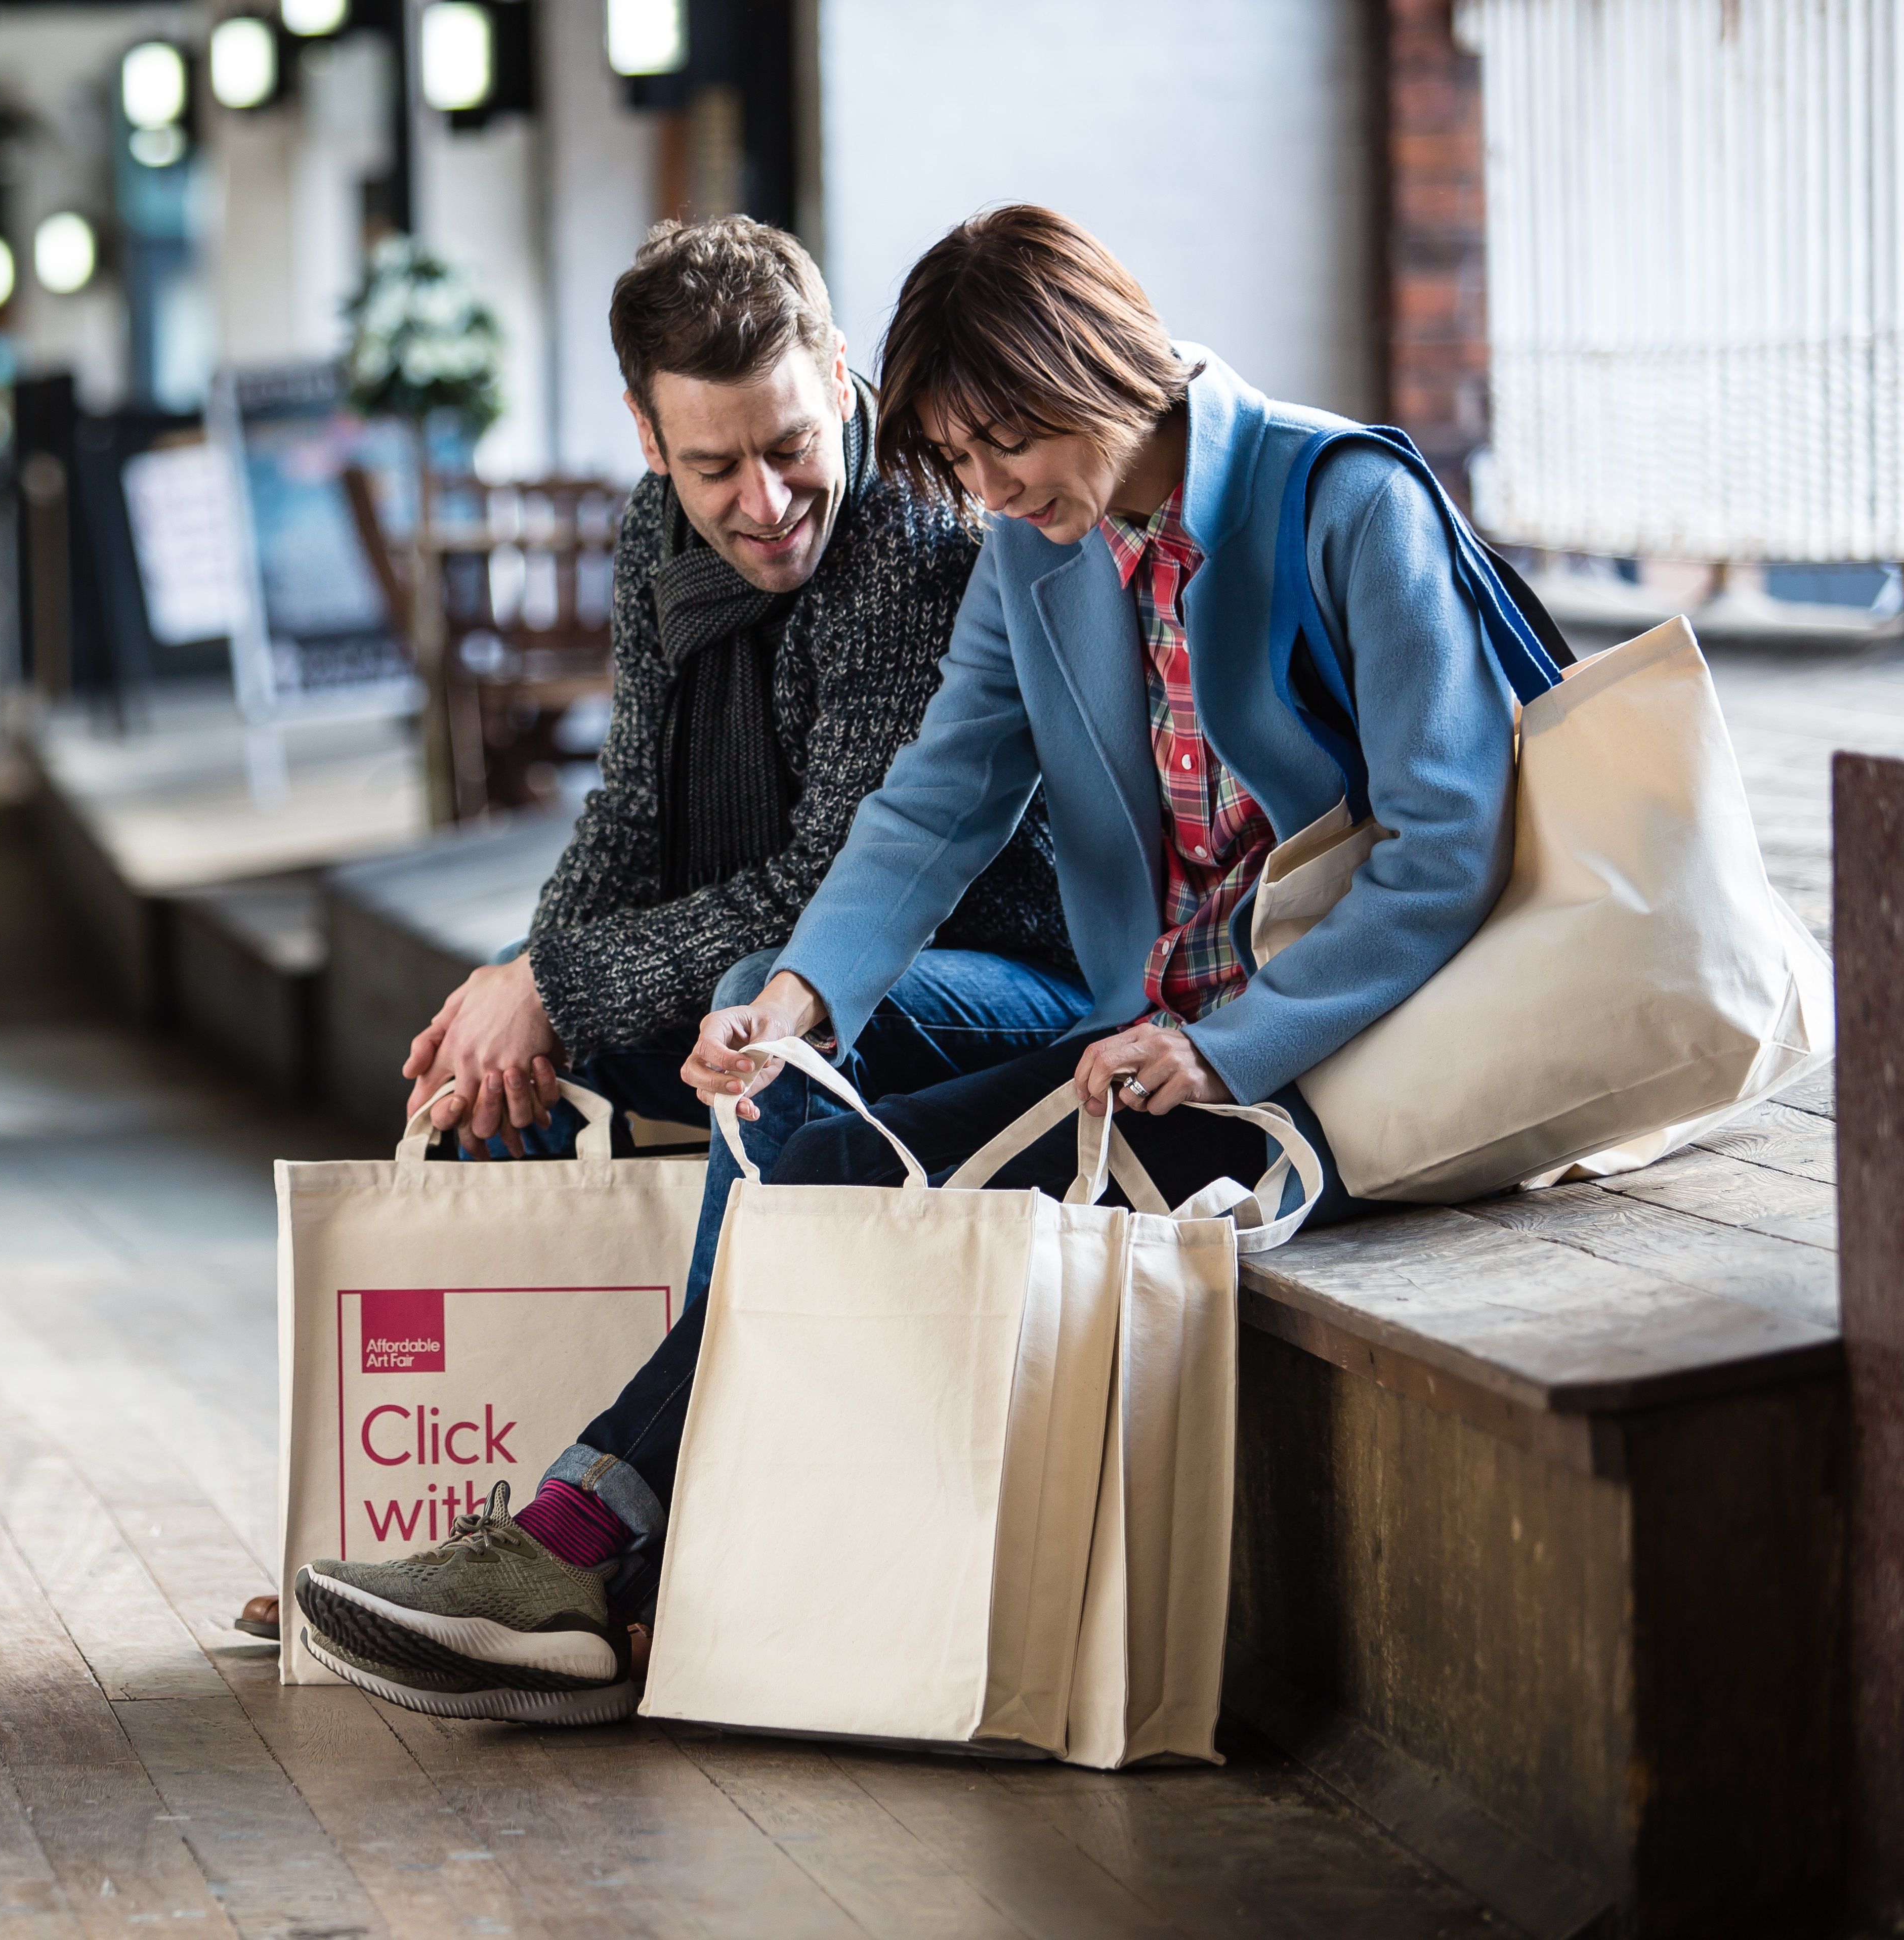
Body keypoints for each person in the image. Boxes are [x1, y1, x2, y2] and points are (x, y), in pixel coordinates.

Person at [293, 205, 1523, 1723]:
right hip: (1149, 1044)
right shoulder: (1036, 546)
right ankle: (580, 1546)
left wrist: (1229, 1049)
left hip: (1315, 1068)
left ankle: (584, 1543)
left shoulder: (1345, 501)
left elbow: (1446, 846)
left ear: (1100, 362)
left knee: (821, 1157)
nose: (995, 489)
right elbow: (932, 800)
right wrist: (795, 1002)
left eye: (1012, 441)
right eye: (969, 455)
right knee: (794, 1124)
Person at [232, 214, 1087, 1647]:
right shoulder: (656, 535)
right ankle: (422, 1540)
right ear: (646, 434)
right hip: (777, 972)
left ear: (831, 369)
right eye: (713, 466)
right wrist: (520, 989)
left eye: (792, 443)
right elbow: (631, 811)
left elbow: (832, 888)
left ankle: (613, 1557)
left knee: (759, 1035)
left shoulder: (917, 537)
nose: (764, 501)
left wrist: (559, 976)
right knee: (499, 1082)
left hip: (984, 978)